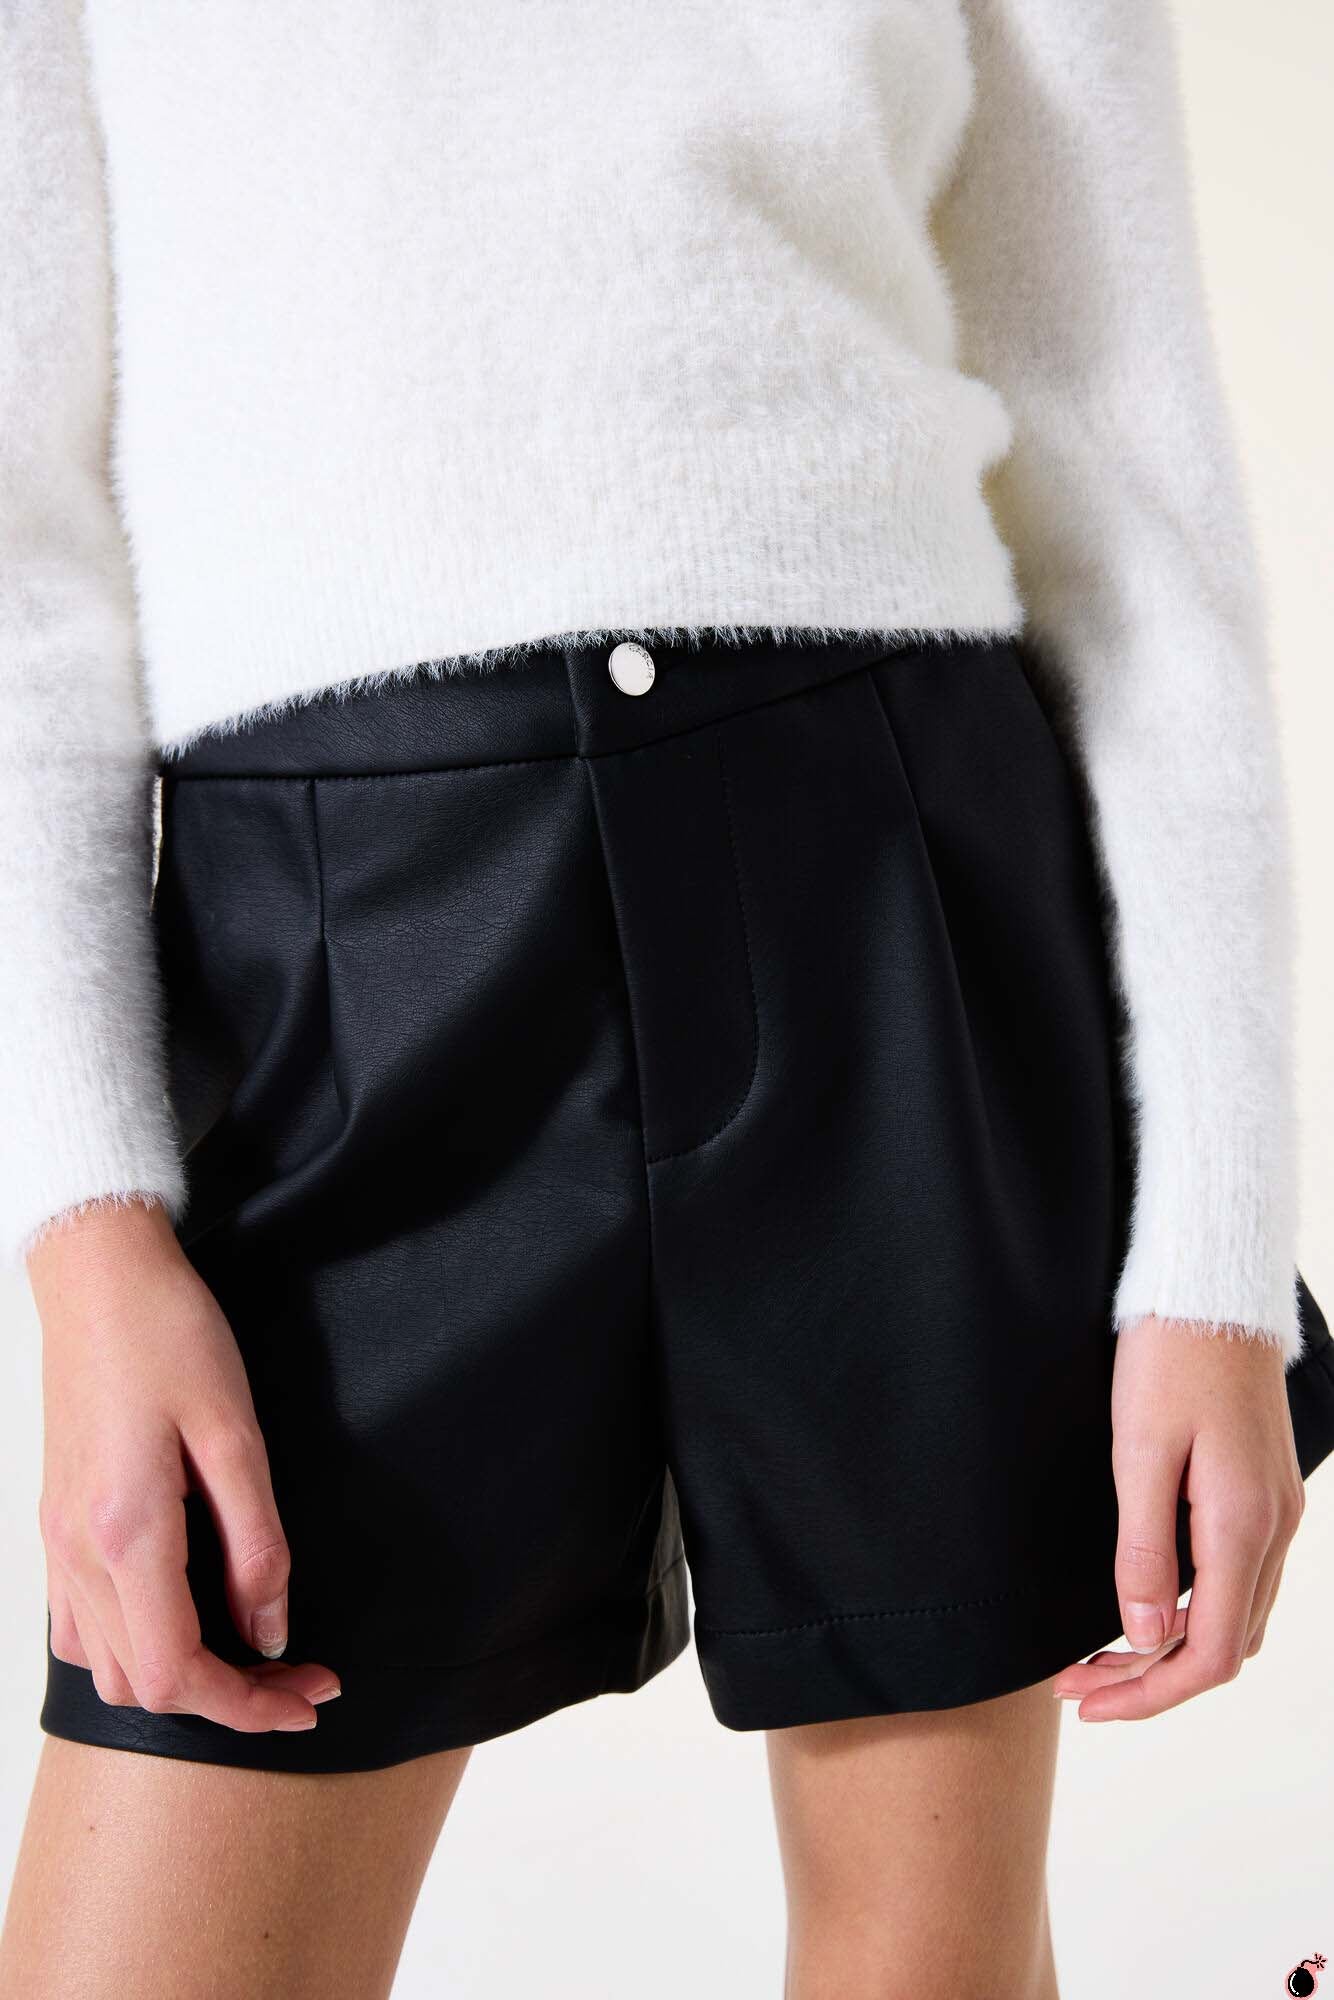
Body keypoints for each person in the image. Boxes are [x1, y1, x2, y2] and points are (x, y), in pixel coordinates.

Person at [1, 2, 1331, 1995]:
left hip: (889, 890)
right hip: (344, 956)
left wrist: (1211, 1265)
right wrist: (86, 1227)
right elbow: (18, 556)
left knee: (928, 1955)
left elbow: (1130, 478)